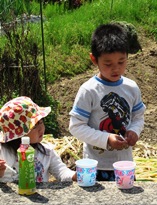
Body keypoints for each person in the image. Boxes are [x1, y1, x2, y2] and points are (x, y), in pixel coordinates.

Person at [69, 23, 146, 181]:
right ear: (94, 59)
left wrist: (134, 131)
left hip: (125, 164)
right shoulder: (89, 90)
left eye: (121, 62)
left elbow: (138, 116)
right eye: (108, 64)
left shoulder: (131, 87)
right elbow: (76, 126)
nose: (115, 69)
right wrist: (106, 139)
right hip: (96, 166)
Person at [0, 96, 77, 182]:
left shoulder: (46, 152)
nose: (41, 128)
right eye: (34, 126)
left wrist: (75, 176)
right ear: (18, 135)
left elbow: (62, 173)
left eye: (41, 122)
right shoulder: (2, 152)